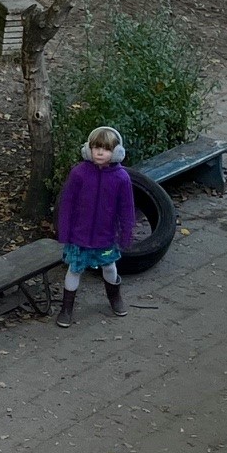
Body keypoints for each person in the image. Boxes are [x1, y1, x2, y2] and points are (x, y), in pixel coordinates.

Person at [54, 126, 135, 326]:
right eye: (96, 147)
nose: (100, 152)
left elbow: (127, 209)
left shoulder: (121, 178)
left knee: (109, 266)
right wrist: (64, 231)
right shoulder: (78, 173)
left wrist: (126, 233)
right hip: (78, 236)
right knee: (74, 269)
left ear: (116, 152)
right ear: (87, 149)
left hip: (105, 237)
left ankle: (115, 298)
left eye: (106, 149)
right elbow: (67, 204)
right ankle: (66, 308)